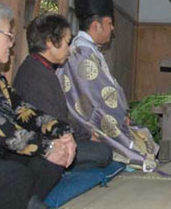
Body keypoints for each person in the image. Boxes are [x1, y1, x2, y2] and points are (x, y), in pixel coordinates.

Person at [0, 0, 76, 209]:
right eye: (8, 35)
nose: (11, 43)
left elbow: (24, 110)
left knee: (49, 163)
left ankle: (24, 202)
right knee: (14, 174)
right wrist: (46, 146)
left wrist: (62, 132)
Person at [57, 0, 158, 172]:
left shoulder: (87, 49)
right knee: (140, 150)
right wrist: (122, 115)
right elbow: (99, 101)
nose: (112, 29)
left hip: (98, 120)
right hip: (88, 127)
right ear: (97, 25)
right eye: (110, 24)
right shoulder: (82, 54)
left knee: (144, 139)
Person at [14, 14, 112, 170]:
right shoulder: (36, 75)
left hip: (55, 135)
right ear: (50, 43)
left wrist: (86, 133)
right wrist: (87, 136)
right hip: (42, 146)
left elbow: (61, 117)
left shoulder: (40, 68)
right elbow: (51, 122)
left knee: (100, 146)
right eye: (67, 42)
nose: (69, 48)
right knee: (103, 153)